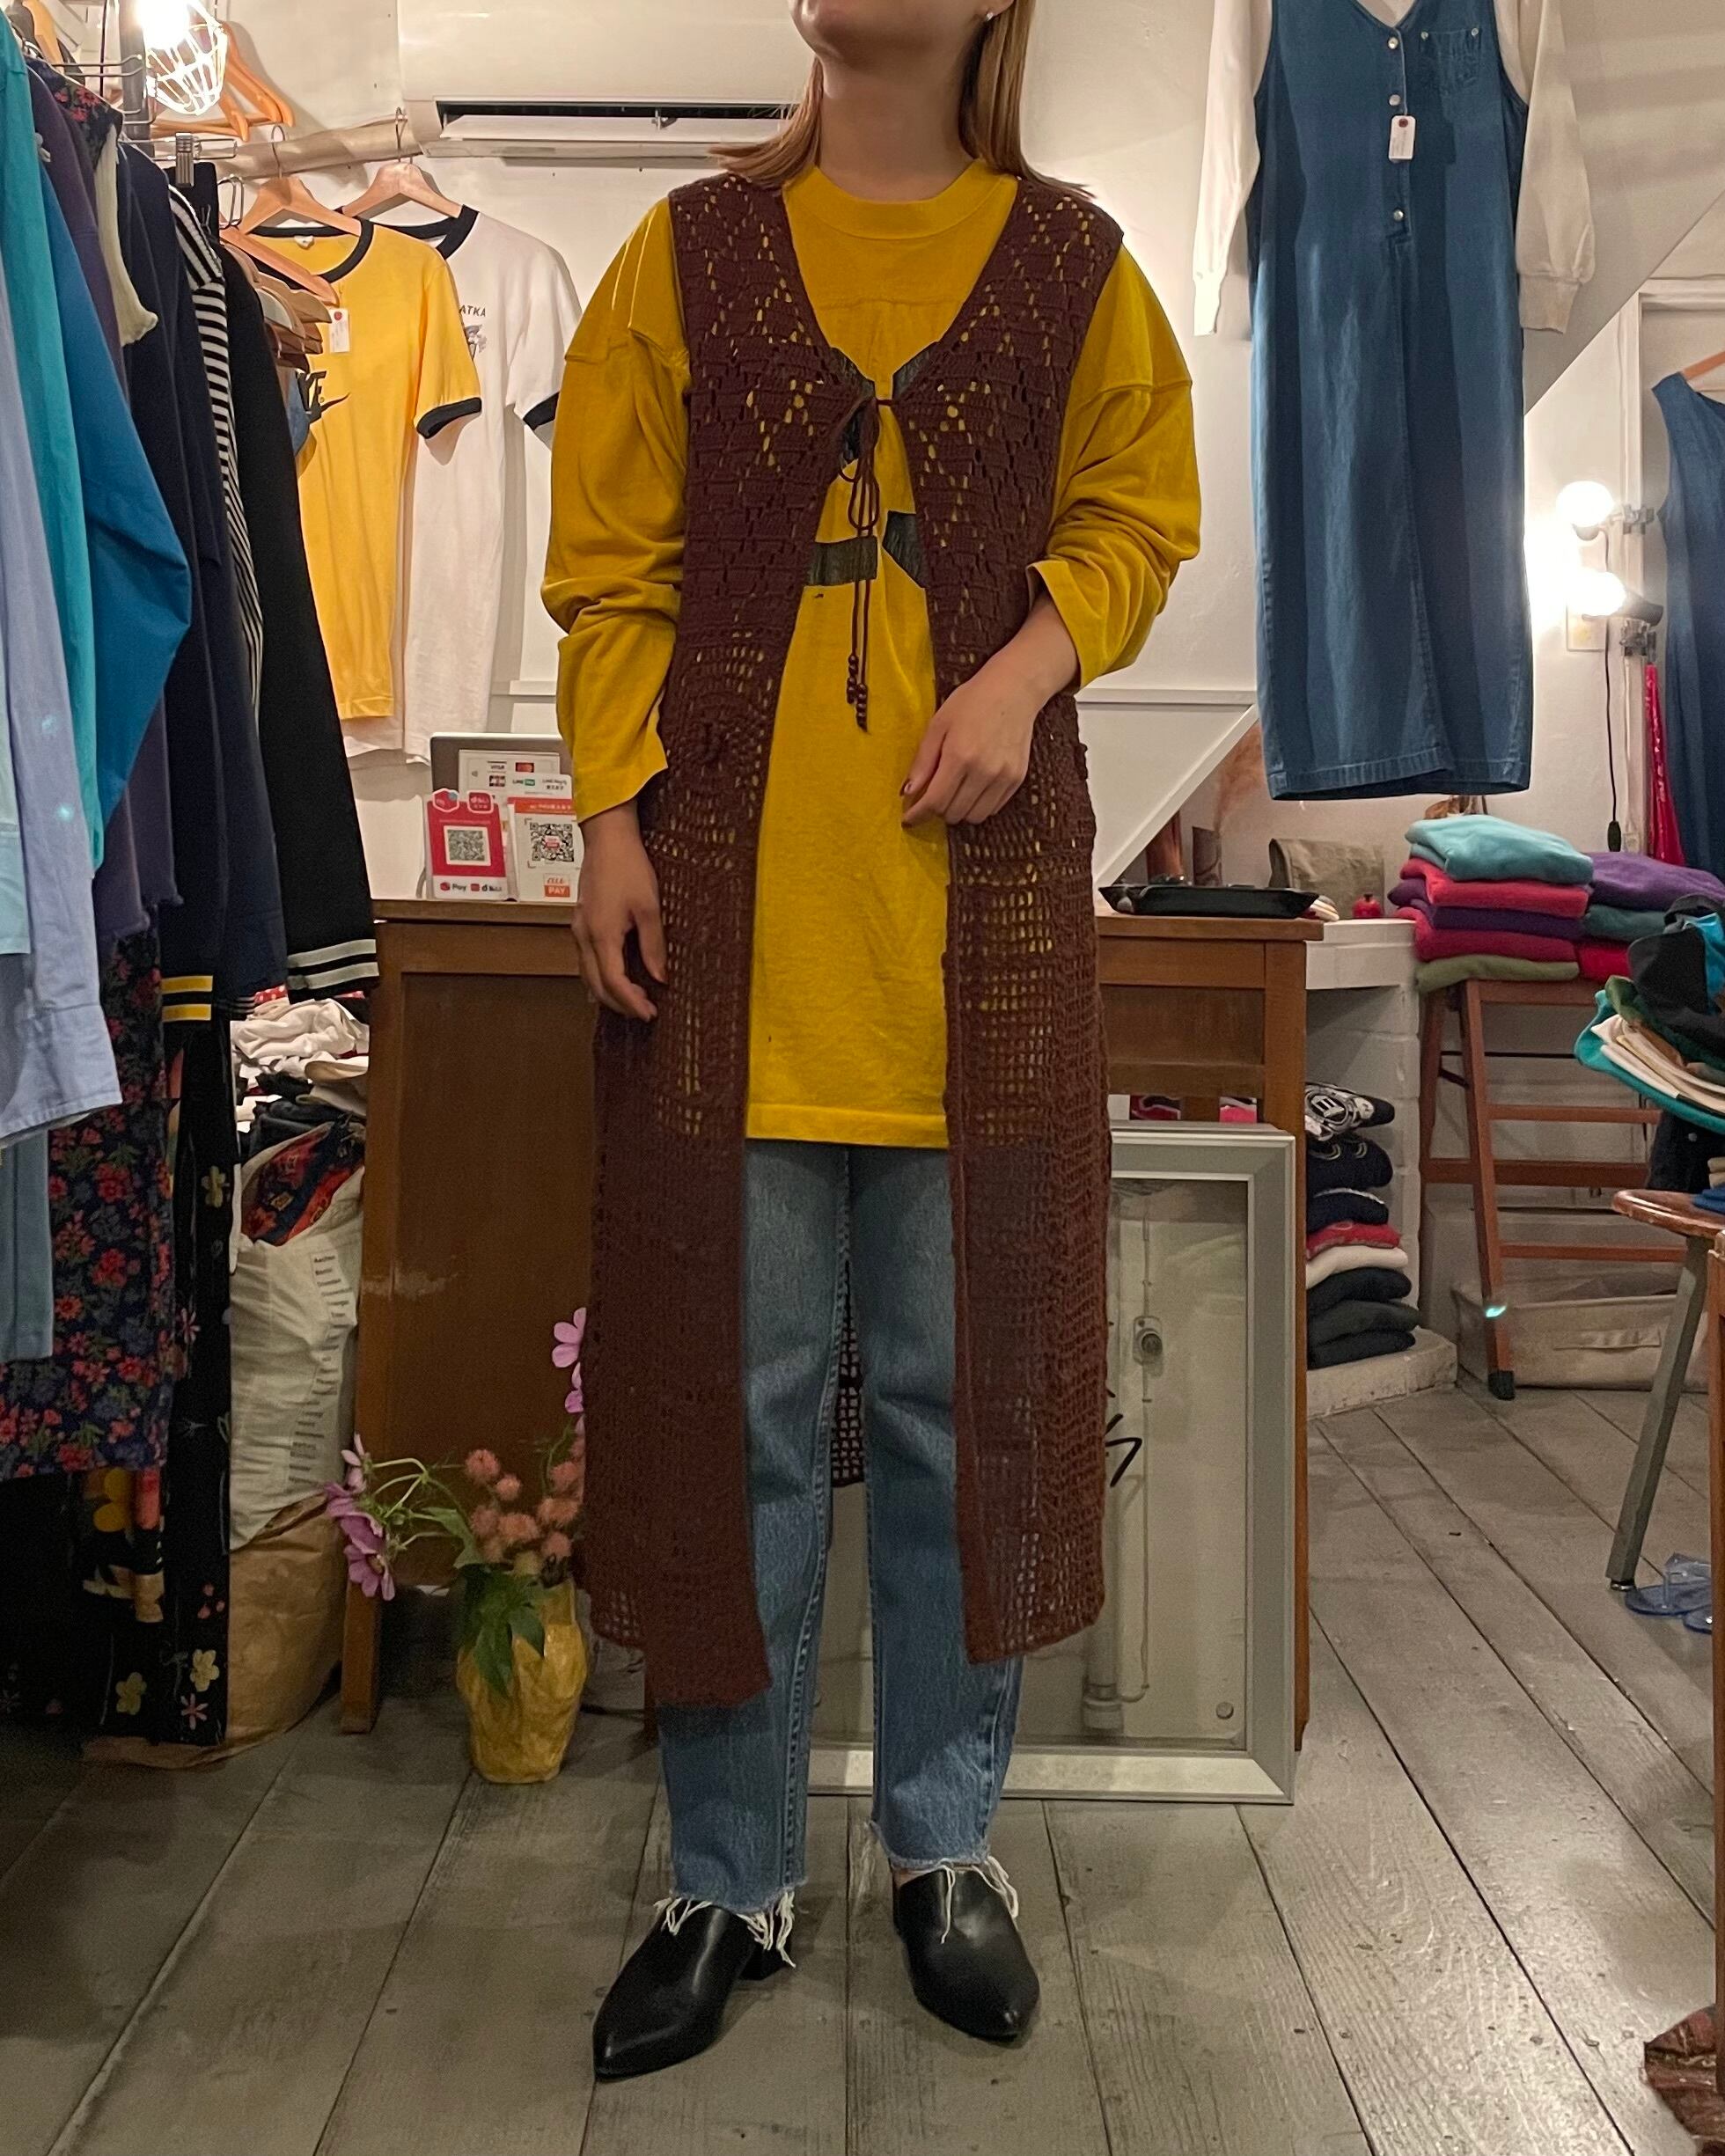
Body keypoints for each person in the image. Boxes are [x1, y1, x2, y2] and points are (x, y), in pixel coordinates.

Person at [544, 0, 1200, 2082]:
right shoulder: (685, 258)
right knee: (726, 1427)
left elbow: (1137, 516)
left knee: (957, 1419)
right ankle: (724, 1873)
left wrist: (1019, 671)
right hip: (729, 949)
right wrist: (608, 817)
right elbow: (613, 567)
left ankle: (939, 1846)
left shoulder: (1071, 262)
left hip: (972, 962)